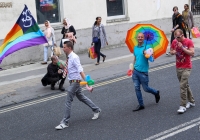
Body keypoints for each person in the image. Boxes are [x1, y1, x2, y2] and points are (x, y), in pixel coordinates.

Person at [55, 41, 101, 130]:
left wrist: (87, 82)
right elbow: (70, 69)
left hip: (75, 82)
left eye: (64, 47)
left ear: (69, 48)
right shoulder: (69, 57)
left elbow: (80, 70)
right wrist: (62, 69)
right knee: (81, 97)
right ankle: (96, 109)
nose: (63, 49)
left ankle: (65, 122)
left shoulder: (75, 57)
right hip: (73, 81)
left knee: (68, 101)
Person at [132, 33, 160, 112]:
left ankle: (156, 92)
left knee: (146, 89)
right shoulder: (135, 48)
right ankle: (141, 105)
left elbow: (152, 60)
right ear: (137, 38)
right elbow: (135, 58)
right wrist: (132, 68)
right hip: (135, 71)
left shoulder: (147, 48)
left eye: (141, 37)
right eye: (139, 37)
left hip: (143, 73)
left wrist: (146, 54)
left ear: (144, 38)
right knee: (137, 88)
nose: (140, 38)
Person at [170, 29, 195, 114]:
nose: (177, 39)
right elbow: (171, 50)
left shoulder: (189, 42)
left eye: (178, 37)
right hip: (178, 67)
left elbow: (192, 53)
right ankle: (191, 101)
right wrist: (172, 52)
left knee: (182, 85)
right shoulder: (174, 42)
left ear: (182, 35)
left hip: (187, 67)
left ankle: (182, 106)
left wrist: (182, 48)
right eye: (175, 37)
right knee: (185, 85)